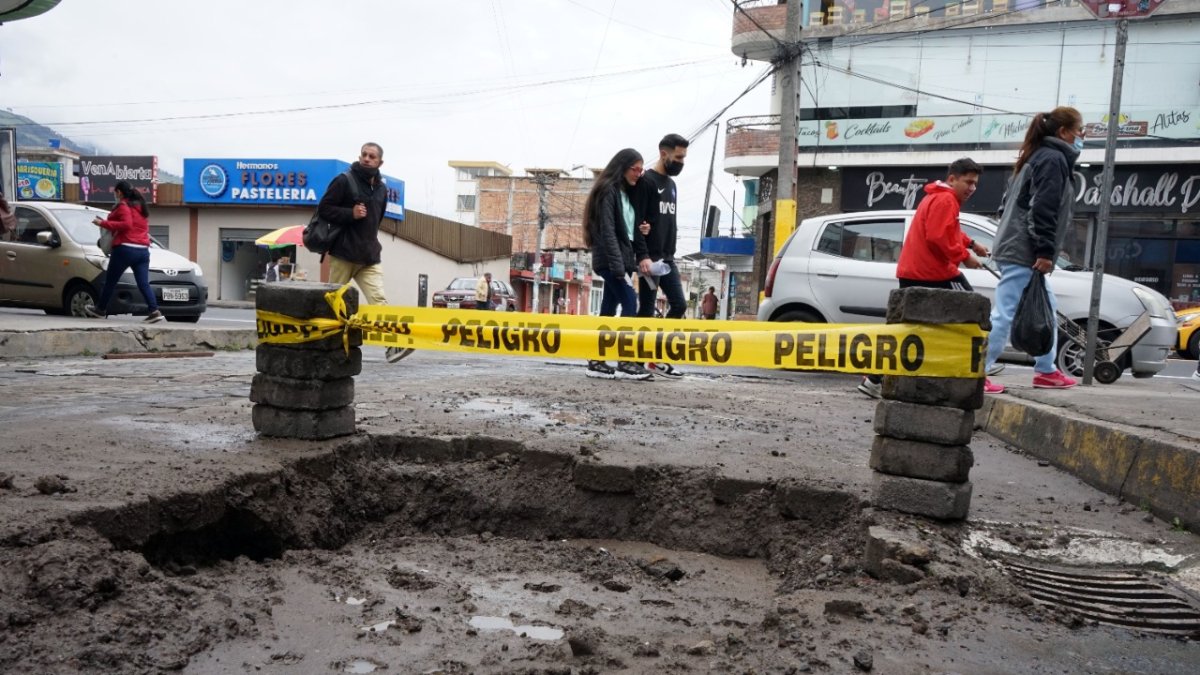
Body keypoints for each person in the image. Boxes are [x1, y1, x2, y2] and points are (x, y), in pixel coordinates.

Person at [857, 158, 990, 399]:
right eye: (968, 182)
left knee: (909, 328)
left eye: (975, 184)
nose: (972, 188)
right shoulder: (946, 200)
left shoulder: (937, 196)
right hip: (933, 271)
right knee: (974, 315)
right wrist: (965, 256)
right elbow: (939, 237)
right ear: (953, 179)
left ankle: (874, 378)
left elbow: (947, 231)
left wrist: (970, 243)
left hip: (914, 270)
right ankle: (977, 372)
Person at [982, 107, 1085, 394]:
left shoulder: (1034, 156)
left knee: (1046, 309)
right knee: (1005, 312)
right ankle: (977, 371)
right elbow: (1043, 208)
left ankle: (1046, 369)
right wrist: (1044, 251)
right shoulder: (1053, 159)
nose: (1081, 136)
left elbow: (1007, 206)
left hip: (1015, 245)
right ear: (1063, 132)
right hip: (1022, 250)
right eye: (1079, 130)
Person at [318, 142, 408, 363]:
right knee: (334, 303)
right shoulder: (343, 180)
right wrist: (351, 213)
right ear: (360, 156)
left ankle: (393, 345)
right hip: (343, 254)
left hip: (369, 256)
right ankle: (325, 346)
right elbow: (324, 209)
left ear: (380, 162)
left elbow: (376, 220)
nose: (367, 159)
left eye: (372, 156)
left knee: (379, 300)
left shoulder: (382, 189)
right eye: (364, 155)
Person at [583, 148, 653, 381]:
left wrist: (642, 229)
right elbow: (608, 231)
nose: (638, 174)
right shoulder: (608, 191)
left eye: (641, 171)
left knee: (609, 307)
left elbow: (626, 231)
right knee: (630, 302)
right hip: (612, 261)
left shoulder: (625, 193)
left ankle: (596, 361)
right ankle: (625, 361)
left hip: (621, 260)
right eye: (635, 169)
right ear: (622, 167)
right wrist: (618, 268)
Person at [633, 133, 690, 379]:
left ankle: (655, 355)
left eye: (684, 158)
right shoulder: (646, 182)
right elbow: (638, 222)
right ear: (663, 153)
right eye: (678, 157)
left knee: (679, 304)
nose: (681, 162)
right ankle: (637, 360)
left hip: (668, 259)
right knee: (646, 309)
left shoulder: (672, 185)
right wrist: (642, 256)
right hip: (649, 261)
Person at [83, 181, 164, 323]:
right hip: (143, 251)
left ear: (119, 192)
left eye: (115, 193)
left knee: (110, 282)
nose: (115, 195)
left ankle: (100, 310)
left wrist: (101, 223)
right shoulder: (141, 207)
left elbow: (126, 224)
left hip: (125, 249)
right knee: (143, 283)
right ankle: (154, 311)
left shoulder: (123, 206)